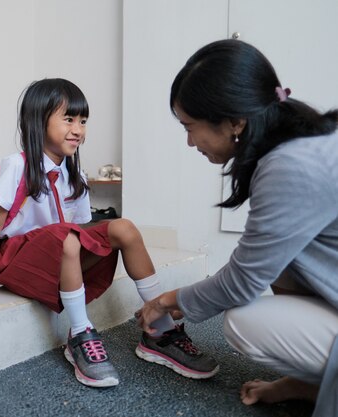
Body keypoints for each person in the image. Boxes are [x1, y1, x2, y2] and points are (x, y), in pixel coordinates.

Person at [0, 78, 218, 388]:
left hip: (57, 255)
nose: (78, 129)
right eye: (68, 119)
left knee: (124, 227)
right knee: (65, 238)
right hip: (16, 261)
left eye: (83, 120)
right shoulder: (17, 165)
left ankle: (160, 330)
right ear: (38, 121)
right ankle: (79, 334)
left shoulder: (74, 173)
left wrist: (98, 244)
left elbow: (81, 229)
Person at [135, 39, 338, 416]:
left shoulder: (289, 166)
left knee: (242, 321)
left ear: (235, 122)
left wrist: (167, 301)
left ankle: (321, 383)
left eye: (190, 126)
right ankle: (312, 382)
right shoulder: (306, 142)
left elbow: (242, 282)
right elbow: (257, 263)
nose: (189, 141)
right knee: (283, 261)